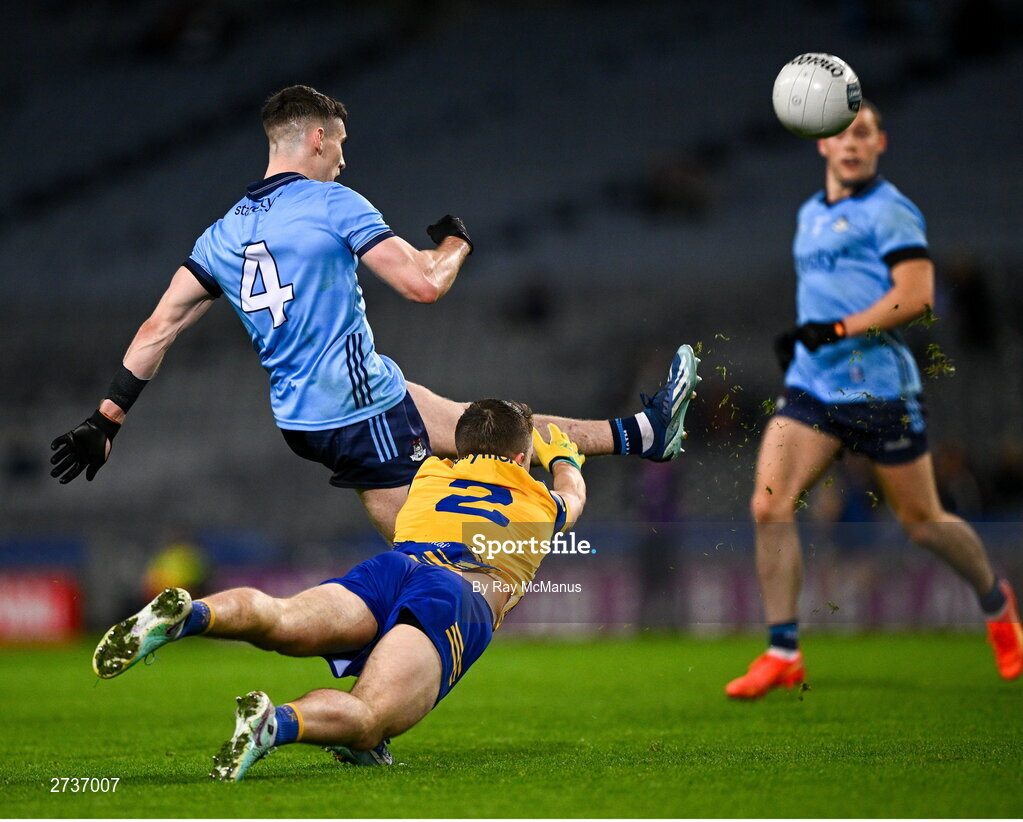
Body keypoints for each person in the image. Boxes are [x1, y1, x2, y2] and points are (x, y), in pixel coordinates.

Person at [49, 84, 700, 540]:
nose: (343, 158)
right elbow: (422, 285)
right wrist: (455, 244)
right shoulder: (334, 204)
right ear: (314, 138)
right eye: (338, 144)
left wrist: (104, 421)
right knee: (459, 554)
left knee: (484, 429)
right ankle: (339, 672)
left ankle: (641, 434)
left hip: (308, 416)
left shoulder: (220, 235)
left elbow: (155, 328)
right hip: (359, 408)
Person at [91, 399, 587, 781]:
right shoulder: (540, 500)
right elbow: (573, 497)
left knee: (281, 618)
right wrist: (564, 458)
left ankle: (192, 614)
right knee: (372, 713)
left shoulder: (434, 473)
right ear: (521, 458)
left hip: (395, 566)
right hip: (457, 593)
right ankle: (275, 723)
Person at [725, 101, 1022, 699]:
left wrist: (835, 330)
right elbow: (828, 293)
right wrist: (807, 336)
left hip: (879, 388)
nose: (854, 143)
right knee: (768, 504)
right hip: (813, 386)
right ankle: (783, 650)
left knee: (923, 523)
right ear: (822, 147)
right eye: (843, 135)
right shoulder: (809, 212)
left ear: (880, 143)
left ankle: (997, 601)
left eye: (865, 133)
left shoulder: (892, 211)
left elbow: (917, 296)